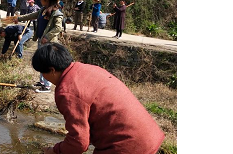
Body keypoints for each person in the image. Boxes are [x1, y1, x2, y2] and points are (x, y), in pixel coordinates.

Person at [33, 43, 165, 154]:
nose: (44, 77)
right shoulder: (88, 69)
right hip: (148, 136)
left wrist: (55, 150)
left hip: (127, 146)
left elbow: (79, 143)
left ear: (52, 70)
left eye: (43, 73)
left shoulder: (67, 91)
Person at [14, 0, 63, 93]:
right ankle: (42, 82)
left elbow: (58, 28)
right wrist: (19, 18)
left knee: (47, 62)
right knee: (41, 60)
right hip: (41, 40)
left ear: (48, 0)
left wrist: (47, 37)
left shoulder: (56, 13)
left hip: (48, 41)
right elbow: (32, 15)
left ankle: (47, 86)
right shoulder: (42, 10)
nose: (40, 1)